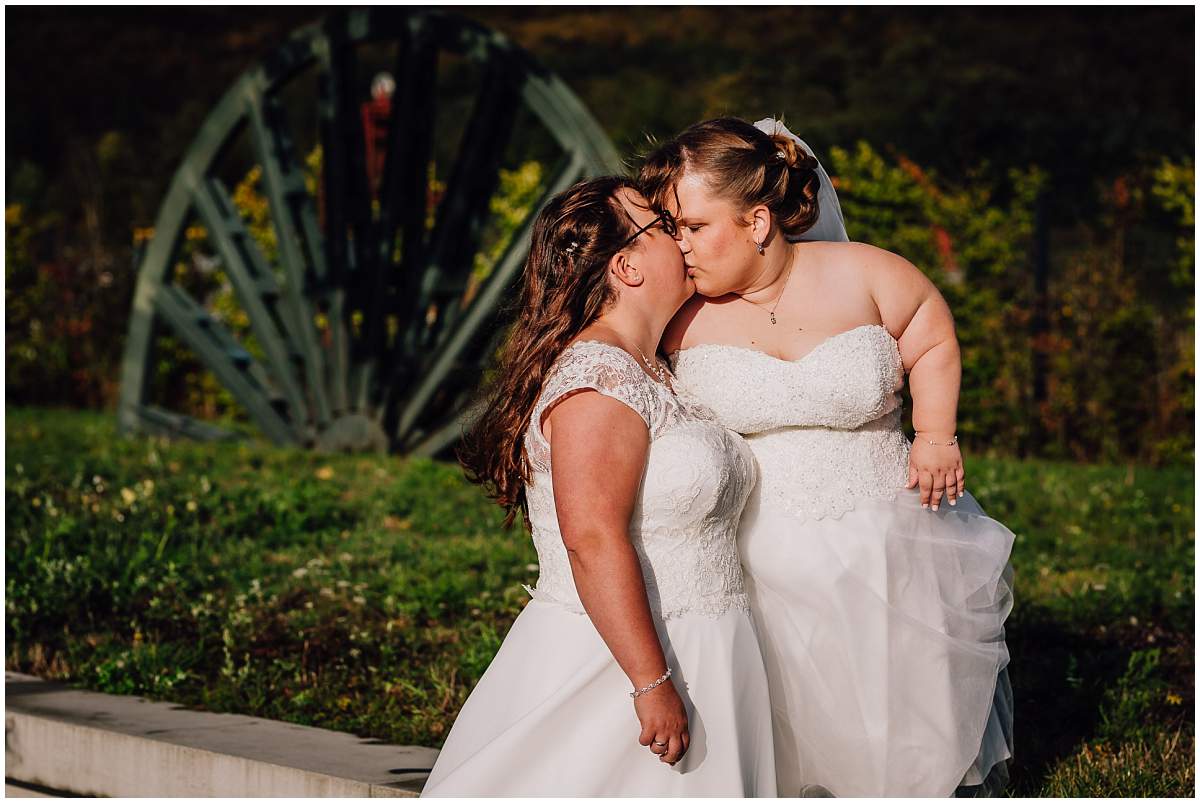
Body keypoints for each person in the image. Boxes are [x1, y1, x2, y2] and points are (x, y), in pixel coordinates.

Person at [639, 117, 1015, 797]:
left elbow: (930, 331)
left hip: (888, 543)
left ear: (758, 221)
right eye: (673, 227)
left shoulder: (866, 272)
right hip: (754, 557)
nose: (680, 245)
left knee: (895, 706)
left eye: (692, 225)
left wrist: (935, 434)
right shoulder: (680, 314)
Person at [420, 176, 777, 796]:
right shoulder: (597, 377)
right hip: (617, 668)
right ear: (627, 265)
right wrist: (650, 683)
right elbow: (590, 537)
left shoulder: (653, 369)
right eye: (664, 227)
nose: (683, 234)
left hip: (709, 645)